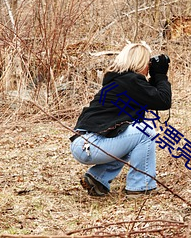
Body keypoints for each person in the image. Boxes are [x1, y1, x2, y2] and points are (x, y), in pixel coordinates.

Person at [70, 42, 172, 197]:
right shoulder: (131, 81)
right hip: (91, 144)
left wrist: (156, 76)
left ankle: (97, 178)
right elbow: (163, 100)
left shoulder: (121, 81)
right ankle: (140, 187)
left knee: (130, 139)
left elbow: (151, 96)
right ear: (139, 62)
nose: (148, 66)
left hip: (85, 143)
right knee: (146, 133)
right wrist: (160, 75)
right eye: (147, 62)